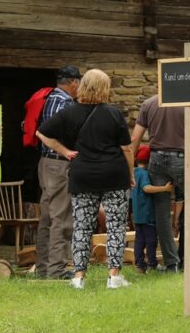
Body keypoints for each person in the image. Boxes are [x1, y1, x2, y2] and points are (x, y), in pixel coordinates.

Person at [36, 69, 133, 289]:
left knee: (81, 226)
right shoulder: (113, 113)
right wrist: (131, 174)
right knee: (116, 224)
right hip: (113, 174)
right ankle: (114, 276)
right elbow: (126, 148)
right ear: (105, 88)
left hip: (82, 175)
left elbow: (41, 133)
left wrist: (65, 152)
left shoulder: (70, 112)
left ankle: (79, 277)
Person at [130, 94, 190, 272]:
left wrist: (130, 169)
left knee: (162, 212)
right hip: (182, 159)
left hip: (156, 159)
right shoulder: (188, 103)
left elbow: (135, 139)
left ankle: (171, 263)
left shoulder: (148, 104)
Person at [35, 65, 81, 279]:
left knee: (47, 217)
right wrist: (68, 151)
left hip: (46, 163)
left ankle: (44, 268)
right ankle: (57, 270)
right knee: (61, 217)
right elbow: (49, 134)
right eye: (78, 83)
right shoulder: (63, 103)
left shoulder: (50, 98)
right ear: (73, 82)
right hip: (58, 164)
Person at [132, 145, 172, 273]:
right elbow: (146, 188)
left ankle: (139, 264)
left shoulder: (134, 172)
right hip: (147, 214)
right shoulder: (144, 174)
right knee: (151, 240)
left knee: (139, 240)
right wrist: (164, 189)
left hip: (137, 215)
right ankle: (152, 264)